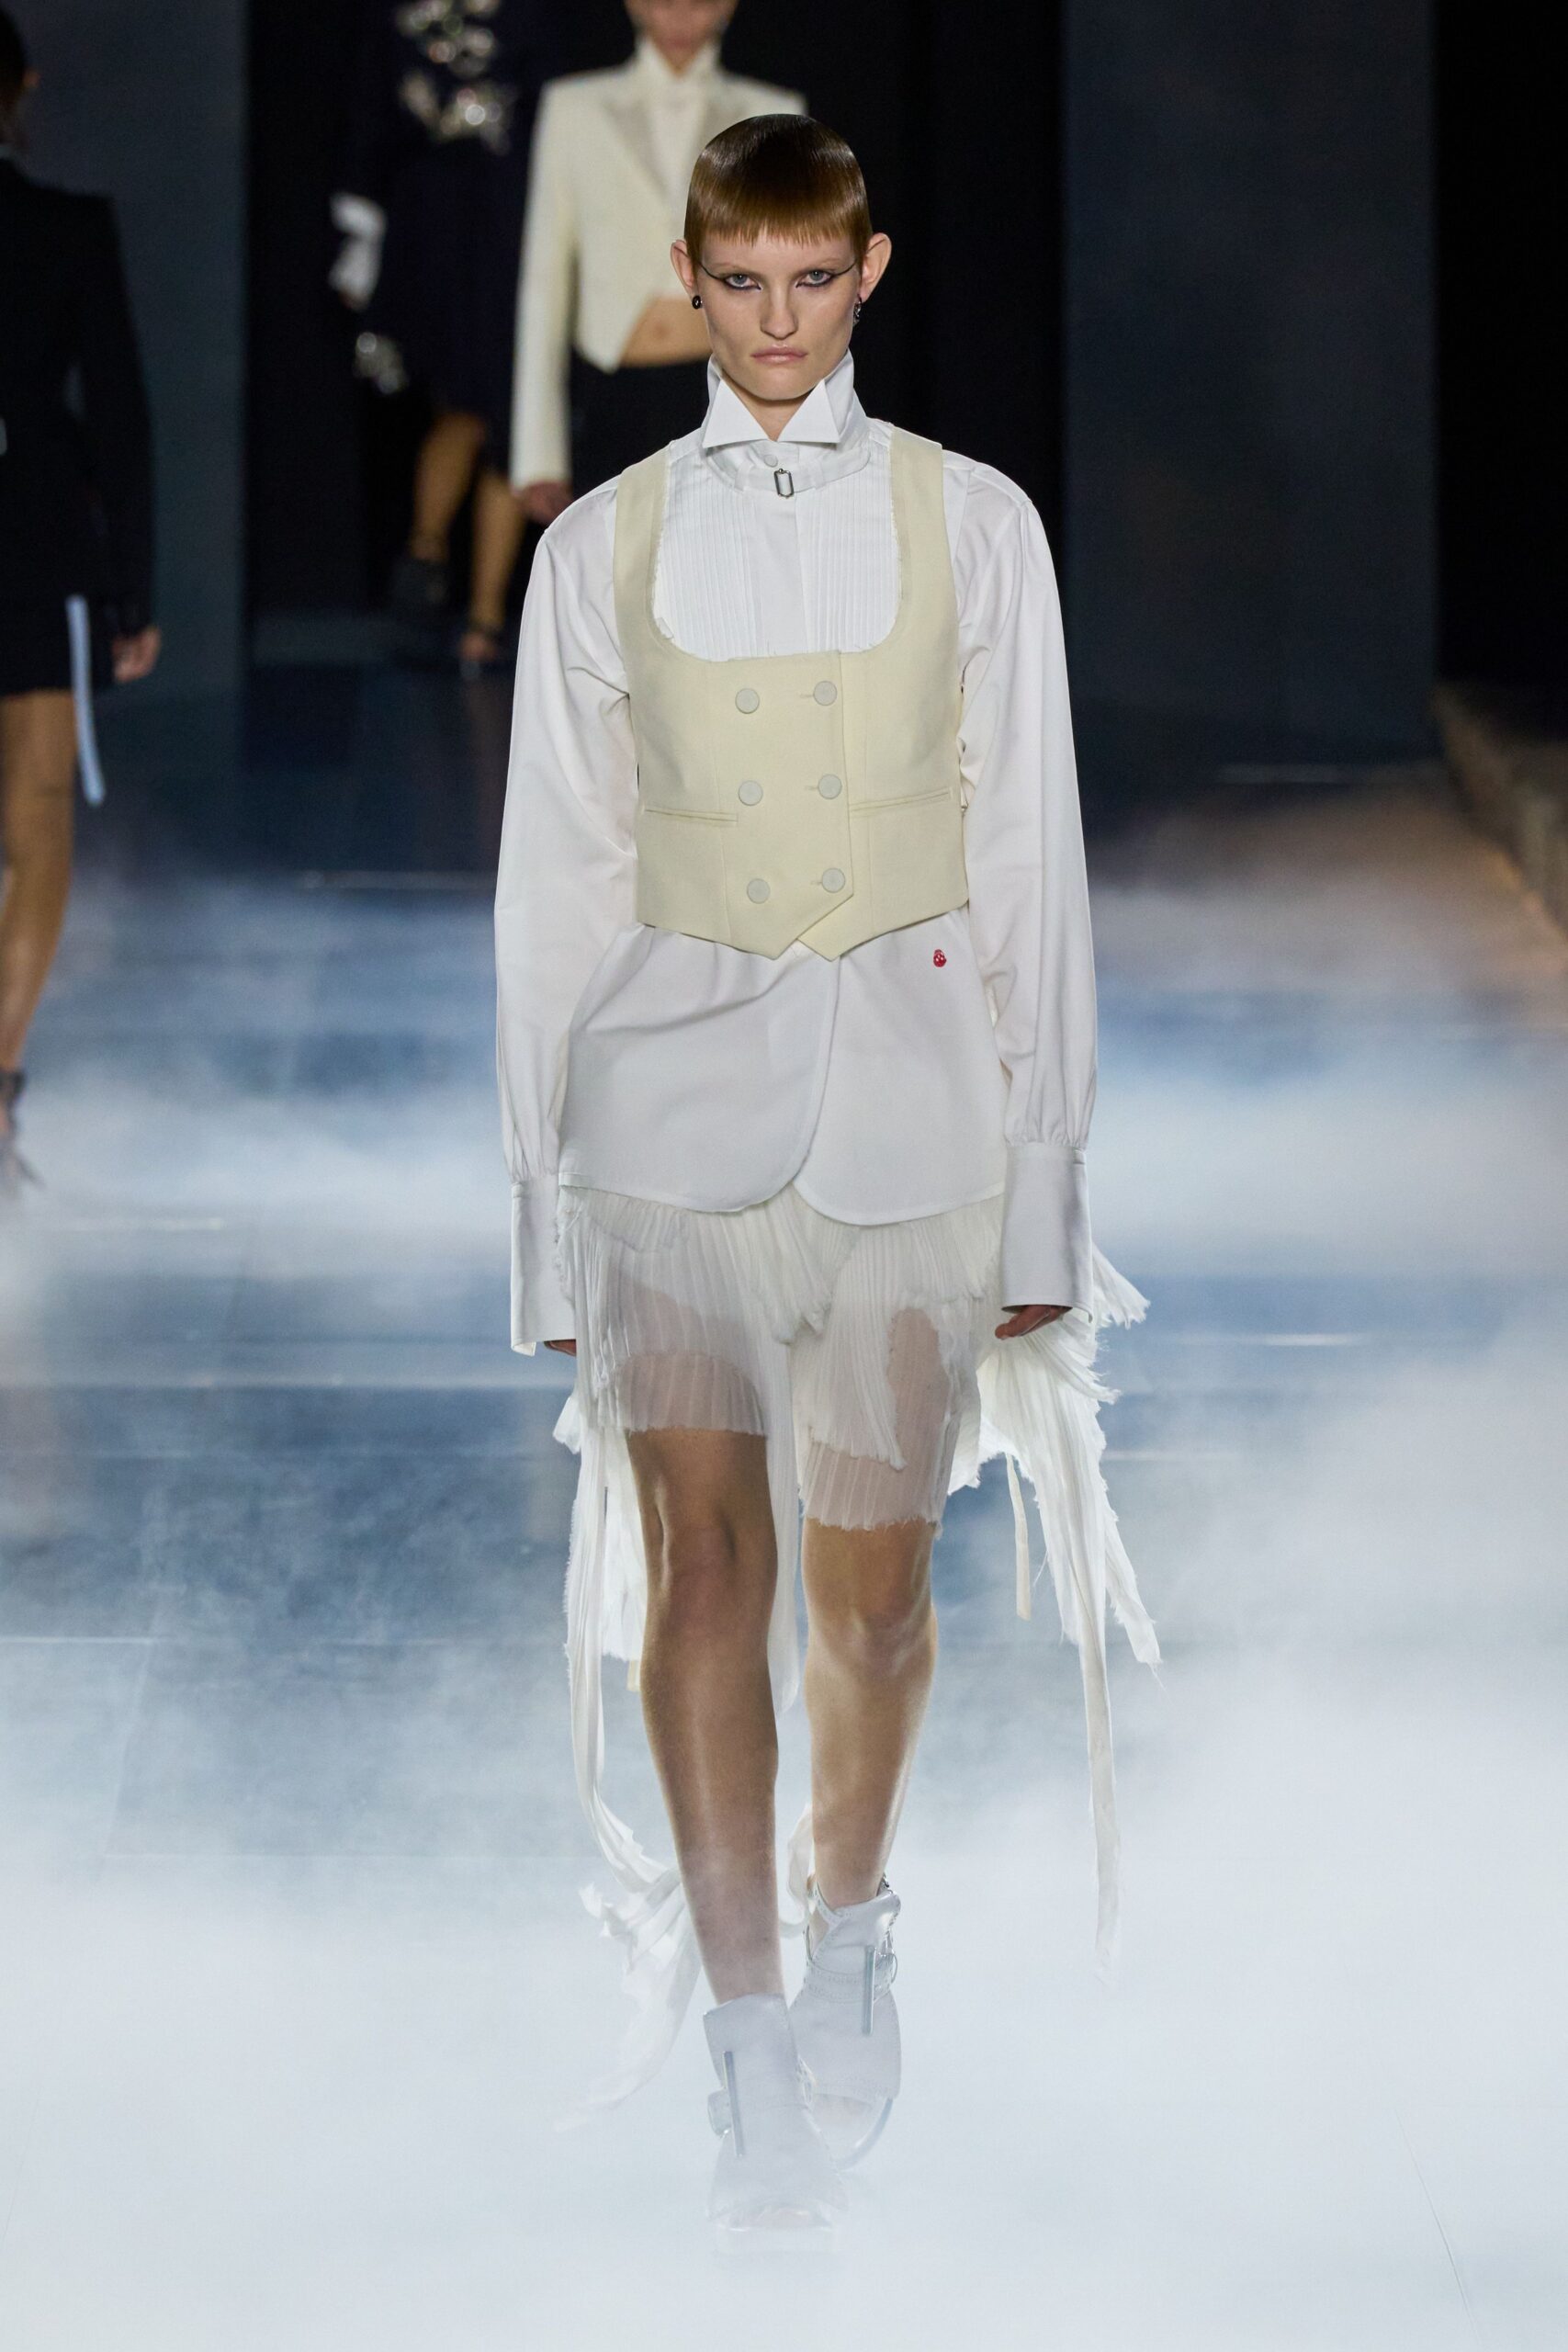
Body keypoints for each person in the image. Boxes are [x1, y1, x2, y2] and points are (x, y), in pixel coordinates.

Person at [495, 115, 1159, 2244]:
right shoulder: (600, 547)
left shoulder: (975, 525)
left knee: (869, 1592)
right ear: (688, 282)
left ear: (863, 274)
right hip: (664, 1125)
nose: (773, 321)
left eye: (809, 281)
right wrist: (544, 1222)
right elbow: (553, 890)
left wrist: (1044, 1191)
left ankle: (847, 1907)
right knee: (702, 1571)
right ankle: (745, 2036)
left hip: (912, 1119)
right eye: (737, 282)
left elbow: (1029, 856)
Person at [0, 7, 158, 1192]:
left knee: (38, 810)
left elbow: (116, 413)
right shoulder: (62, 228)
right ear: (25, 87)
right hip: (36, 542)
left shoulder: (67, 228)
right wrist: (131, 591)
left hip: (37, 544)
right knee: (37, 812)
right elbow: (118, 418)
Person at [508, 0, 801, 522]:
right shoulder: (575, 108)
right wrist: (538, 456)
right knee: (621, 563)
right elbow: (543, 283)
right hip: (613, 394)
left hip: (734, 391)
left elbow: (794, 279)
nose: (682, 16)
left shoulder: (772, 112)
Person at [331, 0, 555, 676]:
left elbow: (561, 116)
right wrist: (360, 242)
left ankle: (482, 614)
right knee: (462, 400)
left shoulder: (534, 19)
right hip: (435, 228)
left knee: (511, 414)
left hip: (521, 228)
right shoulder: (396, 20)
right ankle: (426, 557)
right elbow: (370, 120)